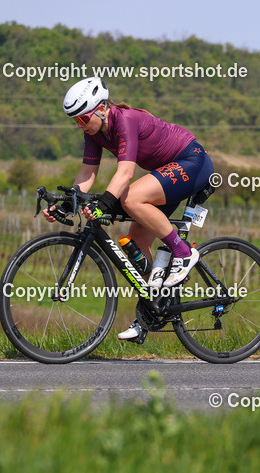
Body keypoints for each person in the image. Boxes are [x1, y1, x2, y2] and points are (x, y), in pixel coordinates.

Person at [43, 77, 214, 342]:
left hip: (192, 161)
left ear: (101, 108)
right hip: (165, 173)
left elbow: (125, 173)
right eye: (75, 121)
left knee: (130, 198)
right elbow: (87, 173)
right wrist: (69, 202)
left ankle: (183, 253)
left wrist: (104, 205)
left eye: (82, 119)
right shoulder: (95, 132)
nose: (81, 125)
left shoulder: (125, 120)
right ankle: (151, 310)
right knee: (134, 242)